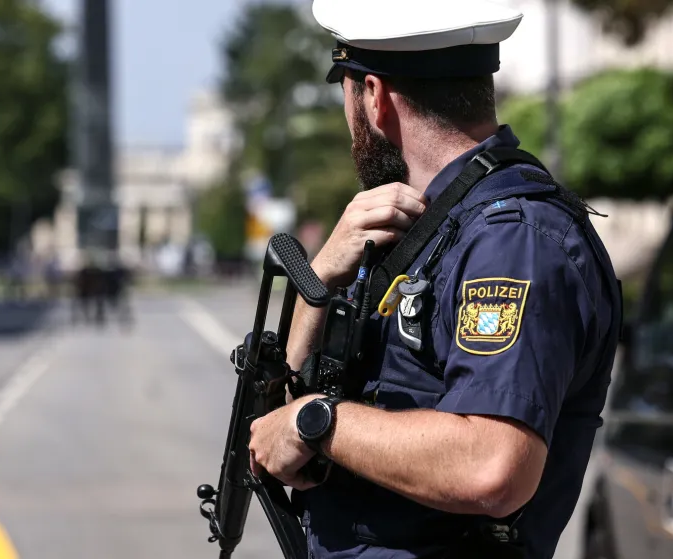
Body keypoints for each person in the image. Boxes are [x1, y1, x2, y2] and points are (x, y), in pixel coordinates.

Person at [246, 1, 623, 558]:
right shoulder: (410, 223)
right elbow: (276, 412)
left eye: (345, 94)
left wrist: (318, 423)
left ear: (372, 97)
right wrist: (320, 278)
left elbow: (493, 466)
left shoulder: (510, 240)